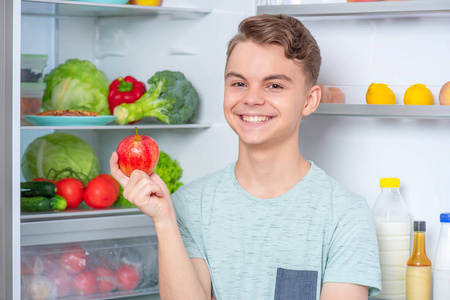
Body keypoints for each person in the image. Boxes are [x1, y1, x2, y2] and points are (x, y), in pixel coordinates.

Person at [110, 14, 381, 300]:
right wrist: (164, 220)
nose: (251, 99)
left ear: (309, 100)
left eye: (274, 85)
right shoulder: (188, 206)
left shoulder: (345, 216)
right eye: (239, 83)